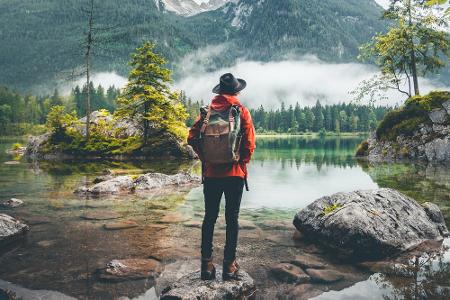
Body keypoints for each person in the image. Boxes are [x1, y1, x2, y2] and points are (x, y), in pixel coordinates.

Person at [188, 73, 256, 281]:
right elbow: (250, 144)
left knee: (209, 217)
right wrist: (241, 163)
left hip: (211, 175)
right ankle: (229, 266)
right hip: (235, 174)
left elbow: (192, 138)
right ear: (236, 91)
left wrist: (206, 159)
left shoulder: (207, 113)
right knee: (231, 219)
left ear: (220, 91)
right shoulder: (241, 111)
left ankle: (206, 266)